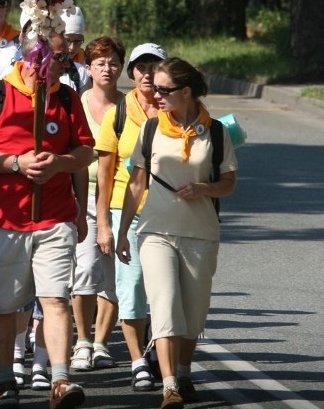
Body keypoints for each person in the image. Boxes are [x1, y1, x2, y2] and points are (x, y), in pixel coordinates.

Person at [0, 18, 93, 409]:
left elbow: (86, 151)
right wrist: (14, 163)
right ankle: (6, 380)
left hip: (55, 217)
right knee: (5, 307)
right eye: (52, 56)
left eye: (63, 56)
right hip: (5, 218)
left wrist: (60, 163)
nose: (59, 63)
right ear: (29, 54)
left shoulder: (68, 99)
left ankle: (60, 380)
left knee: (55, 300)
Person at [116, 57, 238, 409]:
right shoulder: (151, 129)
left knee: (194, 314)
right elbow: (137, 183)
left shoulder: (216, 131)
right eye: (154, 88)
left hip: (200, 234)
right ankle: (169, 386)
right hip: (156, 231)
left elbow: (228, 182)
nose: (156, 95)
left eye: (164, 89)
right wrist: (123, 230)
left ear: (186, 92)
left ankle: (183, 371)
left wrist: (204, 189)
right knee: (166, 306)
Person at [95, 42, 168, 393]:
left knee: (166, 292)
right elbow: (105, 174)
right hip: (129, 214)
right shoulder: (118, 114)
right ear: (132, 73)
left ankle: (161, 354)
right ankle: (138, 359)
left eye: (154, 66)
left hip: (172, 214)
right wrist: (105, 224)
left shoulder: (177, 109)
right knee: (133, 288)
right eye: (141, 67)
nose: (148, 74)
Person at [67, 37, 126, 375]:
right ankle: (82, 342)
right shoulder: (76, 102)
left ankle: (102, 343)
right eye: (100, 62)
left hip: (119, 196)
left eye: (114, 61)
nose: (107, 68)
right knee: (86, 269)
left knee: (114, 274)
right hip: (82, 195)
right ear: (87, 67)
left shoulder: (130, 105)